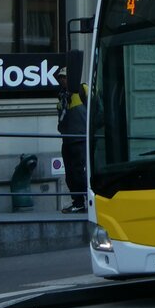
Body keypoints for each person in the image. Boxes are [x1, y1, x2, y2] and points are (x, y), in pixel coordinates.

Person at [56, 67, 88, 213]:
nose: (62, 80)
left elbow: (98, 109)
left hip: (80, 139)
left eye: (65, 77)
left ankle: (83, 201)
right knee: (70, 173)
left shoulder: (83, 89)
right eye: (60, 78)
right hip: (67, 139)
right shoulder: (62, 96)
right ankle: (78, 202)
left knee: (78, 171)